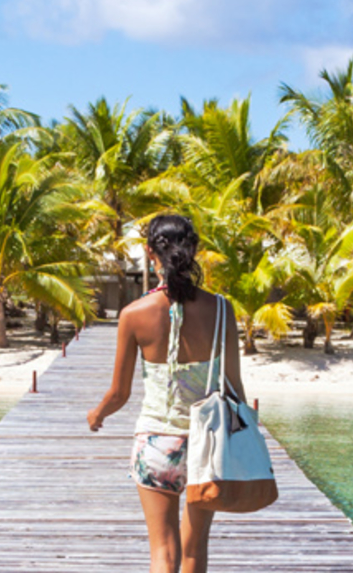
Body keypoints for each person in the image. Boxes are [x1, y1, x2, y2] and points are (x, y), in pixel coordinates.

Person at [87, 214, 243, 573]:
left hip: (156, 444)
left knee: (163, 554)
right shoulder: (221, 309)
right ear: (194, 251)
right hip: (206, 445)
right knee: (193, 552)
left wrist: (97, 415)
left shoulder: (133, 314)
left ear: (149, 253)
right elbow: (234, 386)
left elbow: (119, 393)